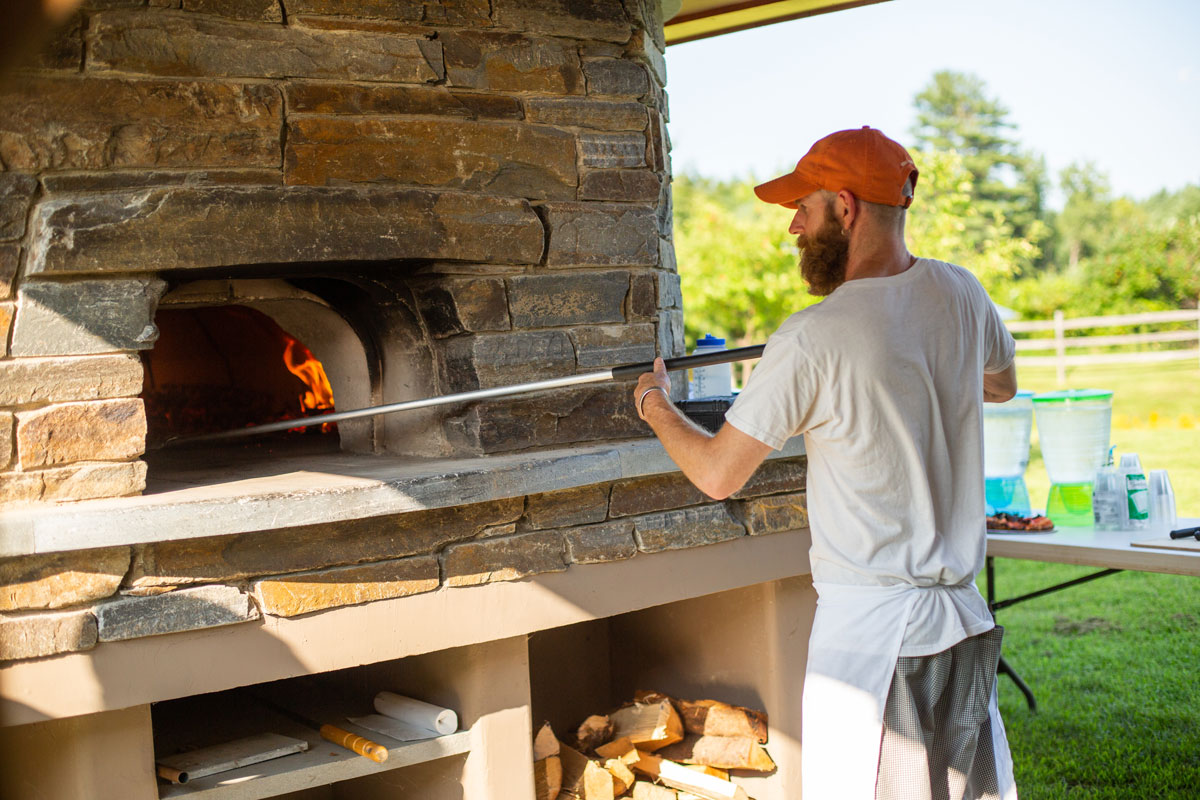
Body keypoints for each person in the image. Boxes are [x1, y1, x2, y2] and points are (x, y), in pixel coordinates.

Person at [634, 126, 1019, 800]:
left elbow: (719, 474)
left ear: (847, 207)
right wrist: (929, 375)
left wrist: (654, 403)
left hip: (878, 648)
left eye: (802, 210)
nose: (792, 229)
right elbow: (1001, 383)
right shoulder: (962, 294)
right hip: (961, 627)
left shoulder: (812, 337)